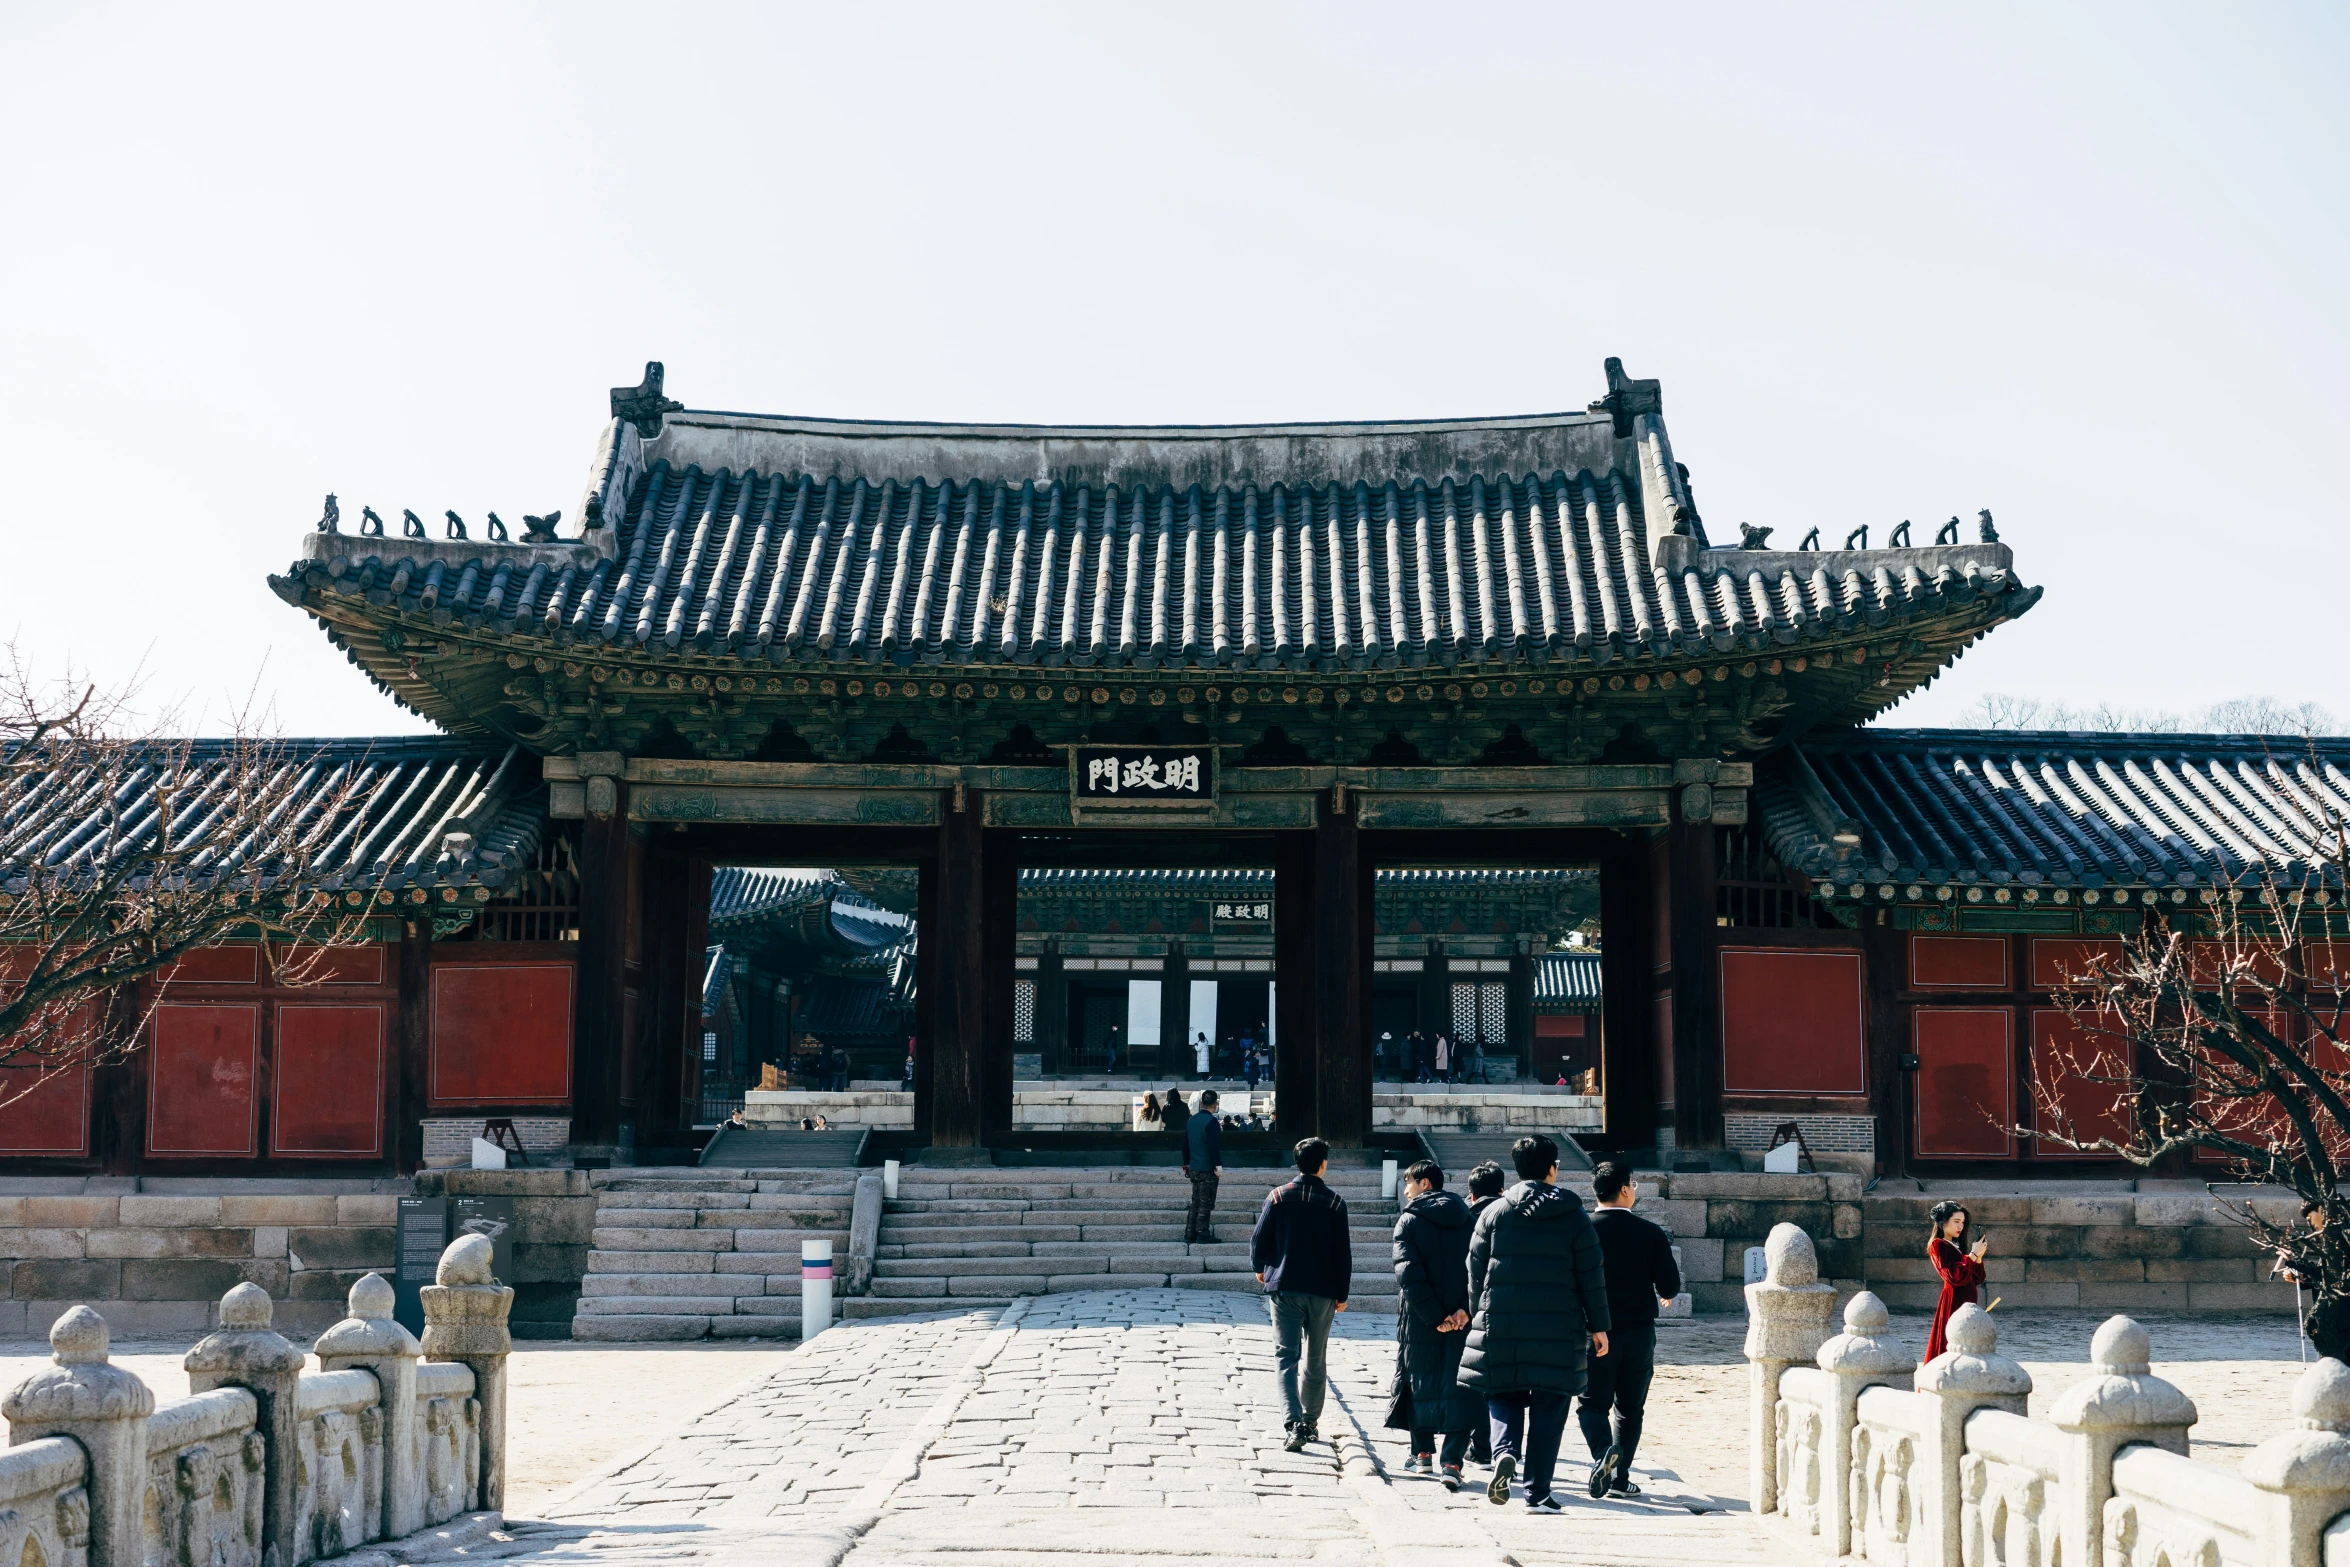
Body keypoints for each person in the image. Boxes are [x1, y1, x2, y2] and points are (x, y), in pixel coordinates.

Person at [1459, 1133, 1611, 1513]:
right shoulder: (1573, 1214)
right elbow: (1591, 1273)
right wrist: (1599, 1325)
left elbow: (1474, 1270)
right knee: (1551, 1404)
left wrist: (1480, 1309)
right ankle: (1538, 1493)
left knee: (1502, 1393)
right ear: (1552, 1169)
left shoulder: (1494, 1212)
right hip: (1559, 1328)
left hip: (1502, 1322)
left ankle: (1504, 1452)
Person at [1579, 1160, 1681, 1499]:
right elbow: (1669, 1283)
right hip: (1638, 1332)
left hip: (1595, 1332)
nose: (1634, 1189)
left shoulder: (1582, 1229)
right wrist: (1665, 1295)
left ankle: (1600, 1457)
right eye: (1633, 1184)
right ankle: (1620, 1478)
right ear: (1624, 1189)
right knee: (1629, 1409)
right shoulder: (1649, 1232)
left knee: (1592, 1405)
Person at [1252, 1136, 1353, 1452]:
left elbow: (1259, 1240)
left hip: (1285, 1287)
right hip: (1323, 1290)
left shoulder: (1279, 1196)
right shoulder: (1335, 1202)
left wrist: (1260, 1268)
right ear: (1324, 1164)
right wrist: (1342, 1293)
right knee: (1315, 1356)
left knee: (1286, 1355)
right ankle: (1309, 1422)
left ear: (1297, 1163)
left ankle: (1292, 1422)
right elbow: (1343, 1254)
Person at [1386, 1160, 1479, 1490]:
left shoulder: (1409, 1220)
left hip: (1420, 1319)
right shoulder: (1468, 1218)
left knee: (1417, 1378)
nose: (1406, 1187)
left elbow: (1409, 1275)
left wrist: (1434, 1316)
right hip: (1461, 1320)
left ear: (1424, 1183)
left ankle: (1422, 1453)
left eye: (1409, 1182)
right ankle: (1452, 1460)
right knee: (1461, 1385)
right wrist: (1463, 1311)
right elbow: (1478, 1270)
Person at [1461, 1160, 1508, 1467]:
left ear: (1471, 1192)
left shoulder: (1464, 1216)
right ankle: (1497, 1444)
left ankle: (1475, 1445)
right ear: (1502, 1188)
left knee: (1471, 1379)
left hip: (1468, 1309)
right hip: (1505, 1308)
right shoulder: (1511, 1216)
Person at [1925, 1200, 1987, 1361]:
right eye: (1956, 1222)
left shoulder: (1957, 1245)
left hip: (1967, 1298)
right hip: (1954, 1300)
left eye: (1963, 1222)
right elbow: (1954, 1277)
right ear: (1943, 1222)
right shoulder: (1938, 1245)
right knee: (1952, 1341)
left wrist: (1978, 1257)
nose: (1960, 1226)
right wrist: (1972, 1255)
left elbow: (1978, 1278)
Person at [1183, 1090, 1222, 1245]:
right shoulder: (1211, 1122)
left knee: (1196, 1200)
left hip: (1194, 1166)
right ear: (1216, 1105)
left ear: (1201, 1104)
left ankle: (1190, 1231)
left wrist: (1186, 1163)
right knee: (1206, 1201)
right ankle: (1202, 1232)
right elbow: (1214, 1146)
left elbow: (1185, 1144)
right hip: (1207, 1167)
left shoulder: (1191, 1121)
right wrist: (1218, 1166)